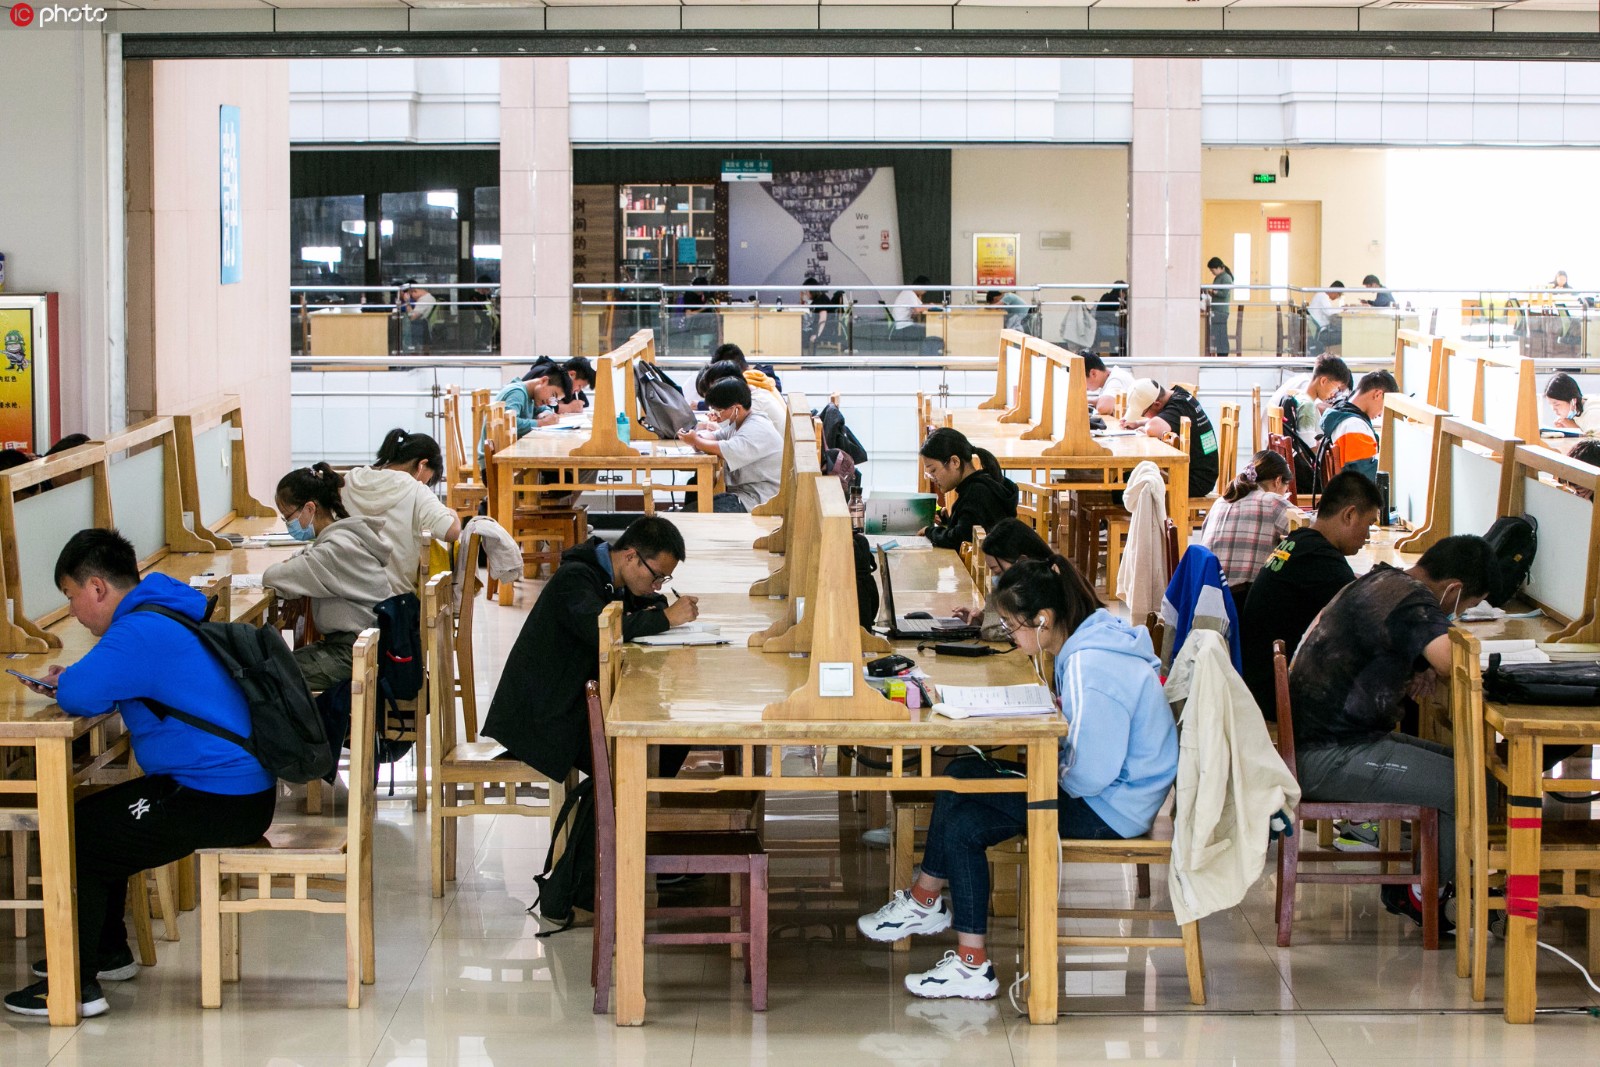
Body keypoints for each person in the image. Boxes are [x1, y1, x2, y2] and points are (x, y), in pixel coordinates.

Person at [856, 556, 1178, 999]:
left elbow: (1091, 773)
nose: (1010, 635)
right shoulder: (1092, 640)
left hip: (1110, 808)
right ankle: (945, 930)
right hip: (1116, 793)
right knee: (962, 785)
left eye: (1012, 625)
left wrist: (1041, 772)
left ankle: (937, 918)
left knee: (965, 800)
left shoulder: (1091, 665)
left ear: (1042, 621)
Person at [3, 530, 276, 1018]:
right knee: (93, 819)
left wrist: (70, 684)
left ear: (97, 588)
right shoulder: (158, 613)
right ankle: (106, 953)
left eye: (71, 598)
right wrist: (79, 681)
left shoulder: (137, 632)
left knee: (79, 836)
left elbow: (81, 695)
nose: (73, 613)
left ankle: (72, 986)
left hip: (216, 794)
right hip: (230, 787)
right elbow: (99, 681)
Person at [1288, 534, 1499, 933]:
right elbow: (1456, 664)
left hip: (1325, 739)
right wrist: (1437, 661)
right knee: (1469, 786)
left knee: (1466, 770)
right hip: (1325, 755)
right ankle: (1422, 894)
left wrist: (1417, 665)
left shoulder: (1381, 580)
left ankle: (1428, 883)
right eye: (1467, 607)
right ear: (1453, 589)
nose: (1460, 616)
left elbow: (1393, 644)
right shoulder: (1414, 604)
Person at [482, 517, 699, 781]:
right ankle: (619, 817)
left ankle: (630, 814)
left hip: (572, 705)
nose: (657, 585)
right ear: (631, 556)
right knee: (656, 744)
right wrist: (666, 618)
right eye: (656, 576)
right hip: (543, 721)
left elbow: (646, 602)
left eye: (664, 579)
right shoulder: (575, 578)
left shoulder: (610, 577)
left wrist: (659, 608)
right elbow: (601, 631)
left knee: (671, 737)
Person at [1238, 470, 1383, 716]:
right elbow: (1368, 617)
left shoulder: (1301, 543)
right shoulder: (1321, 559)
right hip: (1278, 698)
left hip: (1261, 683)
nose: (1367, 536)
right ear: (1349, 515)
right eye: (1368, 524)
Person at [263, 464, 392, 691]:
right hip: (366, 645)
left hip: (356, 653)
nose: (288, 525)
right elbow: (311, 560)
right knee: (272, 666)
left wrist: (292, 564)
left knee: (268, 676)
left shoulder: (332, 551)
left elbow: (272, 577)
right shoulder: (345, 536)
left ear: (310, 508)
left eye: (288, 517)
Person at [340, 428, 462, 597]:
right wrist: (453, 514)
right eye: (427, 480)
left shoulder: (351, 479)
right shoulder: (416, 490)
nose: (425, 484)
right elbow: (451, 531)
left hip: (345, 594)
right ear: (422, 464)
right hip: (394, 602)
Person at [1197, 449, 1297, 602]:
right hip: (1241, 600)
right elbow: (1312, 529)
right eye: (1285, 488)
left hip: (1207, 595)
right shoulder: (1272, 501)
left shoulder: (1221, 501)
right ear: (1278, 481)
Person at [677, 377, 784, 513]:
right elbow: (717, 436)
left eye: (719, 410)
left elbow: (726, 449)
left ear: (736, 408)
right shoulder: (740, 423)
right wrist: (697, 436)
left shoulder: (756, 427)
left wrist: (696, 441)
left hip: (760, 499)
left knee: (693, 513)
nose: (716, 414)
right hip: (745, 493)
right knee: (693, 499)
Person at [950, 517, 1052, 640]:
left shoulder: (1038, 590)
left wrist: (988, 621)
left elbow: (993, 632)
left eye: (997, 571)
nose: (994, 577)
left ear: (1022, 562)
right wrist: (983, 618)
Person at [918, 428, 1018, 551]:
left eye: (933, 470)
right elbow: (968, 527)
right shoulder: (979, 484)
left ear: (955, 462)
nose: (933, 478)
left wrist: (930, 531)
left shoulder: (977, 493)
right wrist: (947, 521)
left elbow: (959, 539)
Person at [1121, 378, 1220, 498]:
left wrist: (1145, 427)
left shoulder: (1179, 406)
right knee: (1130, 480)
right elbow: (1160, 420)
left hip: (1195, 481)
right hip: (1195, 473)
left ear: (1157, 404)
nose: (1144, 417)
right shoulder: (1180, 395)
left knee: (1124, 487)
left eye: (1143, 414)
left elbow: (1152, 428)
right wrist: (1138, 423)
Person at [478, 362, 573, 460]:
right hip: (495, 462)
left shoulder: (531, 395)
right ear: (544, 380)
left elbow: (543, 409)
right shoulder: (517, 393)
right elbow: (509, 424)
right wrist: (541, 423)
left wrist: (547, 414)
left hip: (505, 457)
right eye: (553, 395)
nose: (550, 402)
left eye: (554, 401)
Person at [1319, 369, 1397, 483]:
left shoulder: (1340, 413)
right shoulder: (1354, 427)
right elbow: (1366, 480)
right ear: (1378, 394)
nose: (1381, 414)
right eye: (1384, 407)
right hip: (1358, 497)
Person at [1270, 355, 1351, 455]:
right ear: (1323, 381)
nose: (1334, 393)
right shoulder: (1307, 406)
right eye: (1336, 387)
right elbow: (1309, 447)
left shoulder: (1298, 396)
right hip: (1305, 468)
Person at [1306, 281, 1345, 353]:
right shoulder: (1322, 296)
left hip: (1320, 329)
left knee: (1341, 330)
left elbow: (1328, 311)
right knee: (1344, 335)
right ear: (1335, 291)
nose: (1337, 297)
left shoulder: (1322, 295)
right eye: (1339, 295)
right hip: (1321, 334)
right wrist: (1343, 309)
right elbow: (1329, 312)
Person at [397, 280, 436, 351]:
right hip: (421, 327)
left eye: (411, 296)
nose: (412, 298)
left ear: (414, 291)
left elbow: (412, 317)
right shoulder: (426, 298)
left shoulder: (425, 301)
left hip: (420, 327)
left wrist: (407, 302)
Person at [1205, 257, 1233, 356]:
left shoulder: (1226, 277)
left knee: (1221, 334)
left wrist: (1214, 291)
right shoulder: (1219, 277)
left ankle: (1223, 355)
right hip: (1217, 308)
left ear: (1219, 268)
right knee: (1218, 333)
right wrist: (1212, 293)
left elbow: (1224, 294)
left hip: (1221, 310)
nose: (1212, 272)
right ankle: (1220, 354)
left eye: (1213, 270)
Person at [891, 276, 930, 342]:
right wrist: (930, 306)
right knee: (928, 330)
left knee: (925, 328)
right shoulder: (910, 293)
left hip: (901, 324)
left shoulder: (909, 291)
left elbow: (918, 309)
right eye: (925, 290)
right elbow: (918, 309)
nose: (925, 292)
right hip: (902, 327)